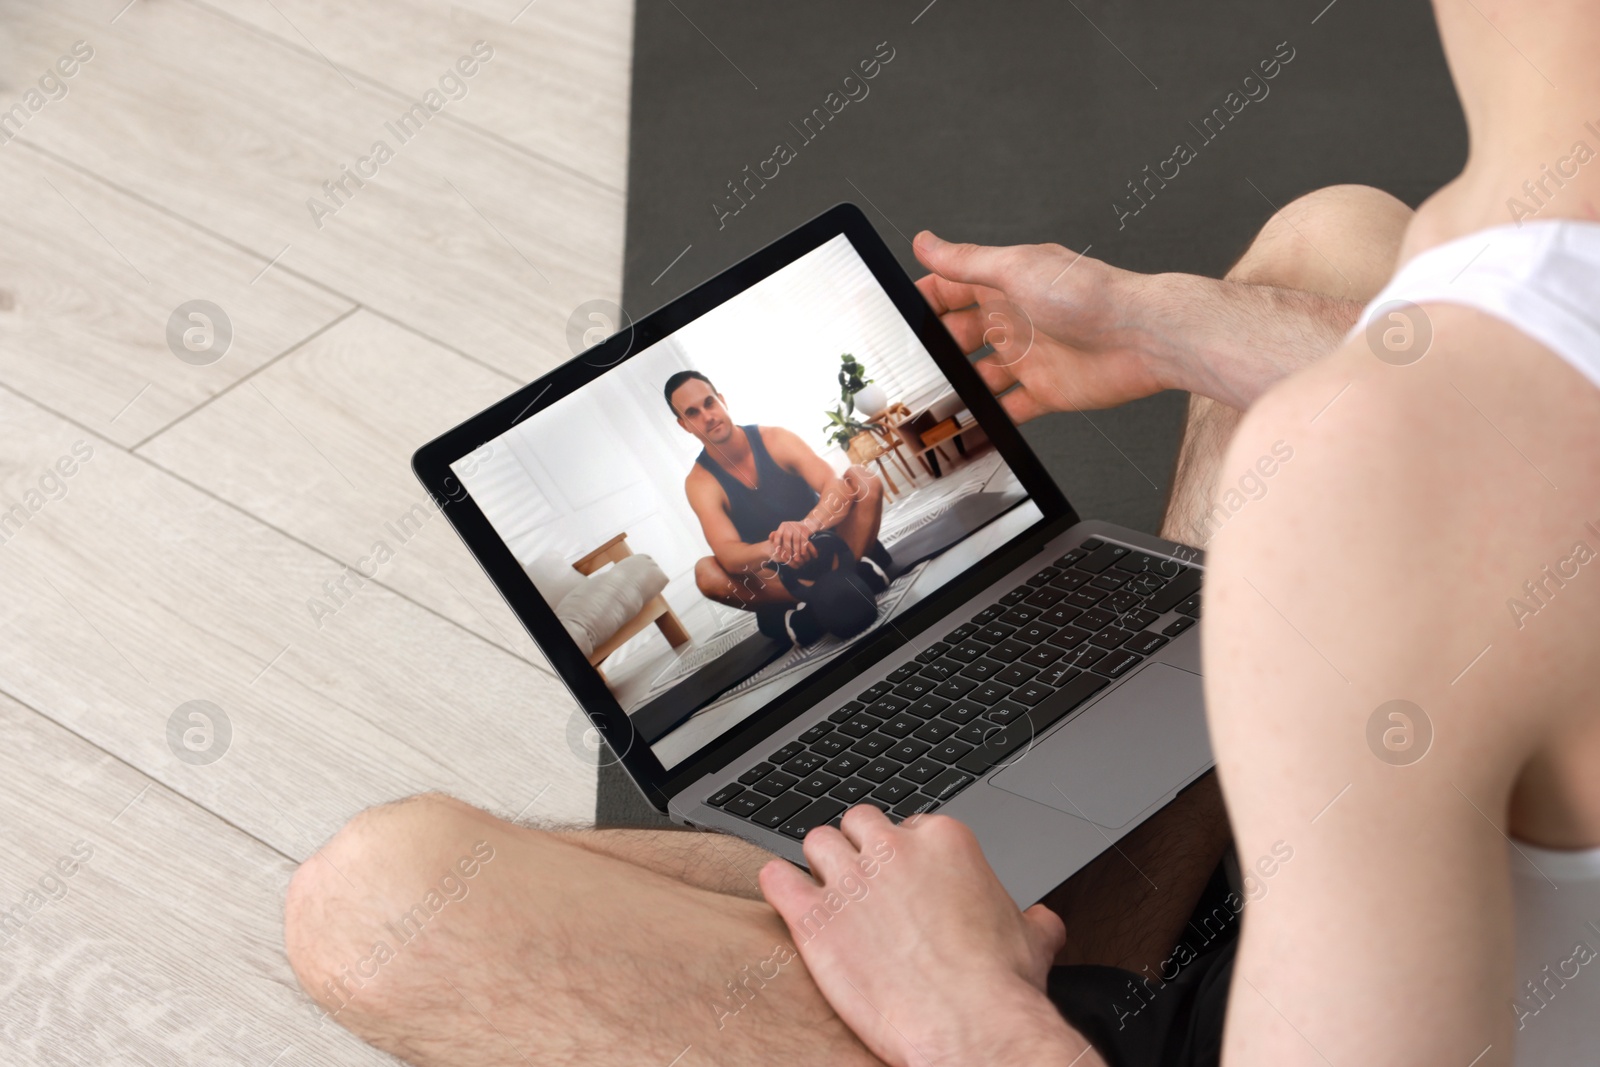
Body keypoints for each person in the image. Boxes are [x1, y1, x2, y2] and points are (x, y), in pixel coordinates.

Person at [281, 2, 1600, 1063]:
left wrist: (963, 1005)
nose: (707, 411)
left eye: (704, 393)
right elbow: (713, 562)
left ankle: (1056, 941)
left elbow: (851, 481)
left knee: (381, 901)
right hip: (1410, 865)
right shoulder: (1478, 386)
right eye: (691, 405)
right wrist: (1152, 322)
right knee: (1339, 238)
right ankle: (1037, 881)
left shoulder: (1377, 471)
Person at [665, 369, 894, 645]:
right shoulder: (700, 482)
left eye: (709, 403)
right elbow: (728, 554)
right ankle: (845, 584)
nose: (707, 416)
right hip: (779, 577)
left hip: (833, 549)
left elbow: (834, 488)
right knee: (706, 573)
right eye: (692, 413)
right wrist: (780, 548)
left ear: (722, 400)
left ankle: (813, 611)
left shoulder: (776, 439)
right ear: (684, 425)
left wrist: (805, 528)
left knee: (862, 478)